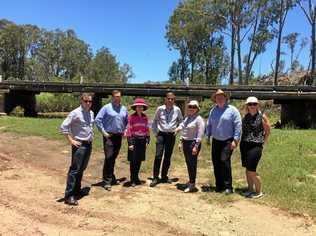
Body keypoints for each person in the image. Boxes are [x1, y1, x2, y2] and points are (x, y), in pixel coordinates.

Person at [60, 93, 94, 205]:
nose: (88, 103)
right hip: (79, 145)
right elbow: (63, 126)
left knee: (81, 169)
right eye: (86, 101)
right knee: (74, 170)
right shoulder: (75, 113)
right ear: (81, 101)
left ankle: (77, 190)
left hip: (88, 144)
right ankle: (69, 196)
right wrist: (71, 140)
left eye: (90, 101)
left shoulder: (91, 112)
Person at [206, 89, 242, 194]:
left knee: (224, 161)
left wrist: (235, 140)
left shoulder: (233, 110)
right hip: (216, 140)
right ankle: (219, 185)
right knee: (216, 162)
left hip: (228, 140)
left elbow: (238, 125)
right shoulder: (213, 110)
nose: (220, 98)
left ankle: (228, 187)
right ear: (215, 99)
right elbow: (209, 124)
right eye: (218, 97)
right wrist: (207, 136)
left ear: (226, 98)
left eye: (222, 97)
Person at [95, 90, 128, 191]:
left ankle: (111, 177)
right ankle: (107, 181)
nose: (118, 98)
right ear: (112, 97)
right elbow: (97, 120)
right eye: (116, 96)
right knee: (109, 157)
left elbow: (127, 121)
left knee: (113, 158)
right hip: (109, 136)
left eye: (119, 96)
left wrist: (125, 131)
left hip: (119, 136)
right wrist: (104, 133)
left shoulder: (124, 109)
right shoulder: (106, 107)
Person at [240, 96, 271, 199]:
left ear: (257, 105)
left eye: (254, 104)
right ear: (247, 106)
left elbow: (267, 131)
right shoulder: (245, 116)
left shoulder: (262, 116)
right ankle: (250, 190)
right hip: (244, 145)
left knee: (252, 170)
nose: (252, 106)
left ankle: (259, 192)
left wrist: (263, 142)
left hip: (256, 146)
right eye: (250, 104)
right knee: (247, 169)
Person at [150, 92, 183, 187]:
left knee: (168, 156)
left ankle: (164, 176)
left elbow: (181, 121)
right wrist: (156, 133)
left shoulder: (177, 110)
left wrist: (177, 129)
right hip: (161, 135)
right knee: (158, 156)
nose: (170, 100)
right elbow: (155, 121)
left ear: (174, 100)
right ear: (165, 99)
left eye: (172, 99)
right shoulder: (160, 109)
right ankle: (155, 177)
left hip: (171, 135)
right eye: (169, 98)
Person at [176, 100, 205, 193]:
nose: (191, 108)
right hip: (186, 143)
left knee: (192, 164)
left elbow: (200, 134)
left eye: (194, 107)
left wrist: (196, 146)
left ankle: (192, 184)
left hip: (193, 144)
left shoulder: (199, 119)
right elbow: (183, 127)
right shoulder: (188, 117)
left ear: (197, 109)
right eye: (190, 107)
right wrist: (180, 138)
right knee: (188, 163)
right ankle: (190, 181)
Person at [126, 98, 150, 187]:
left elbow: (147, 129)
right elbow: (129, 130)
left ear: (143, 108)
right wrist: (130, 143)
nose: (140, 108)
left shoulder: (145, 117)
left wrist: (148, 139)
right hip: (134, 140)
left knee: (139, 160)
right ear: (135, 108)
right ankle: (132, 179)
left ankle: (136, 178)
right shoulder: (131, 117)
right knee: (133, 161)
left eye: (141, 107)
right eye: (138, 106)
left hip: (142, 140)